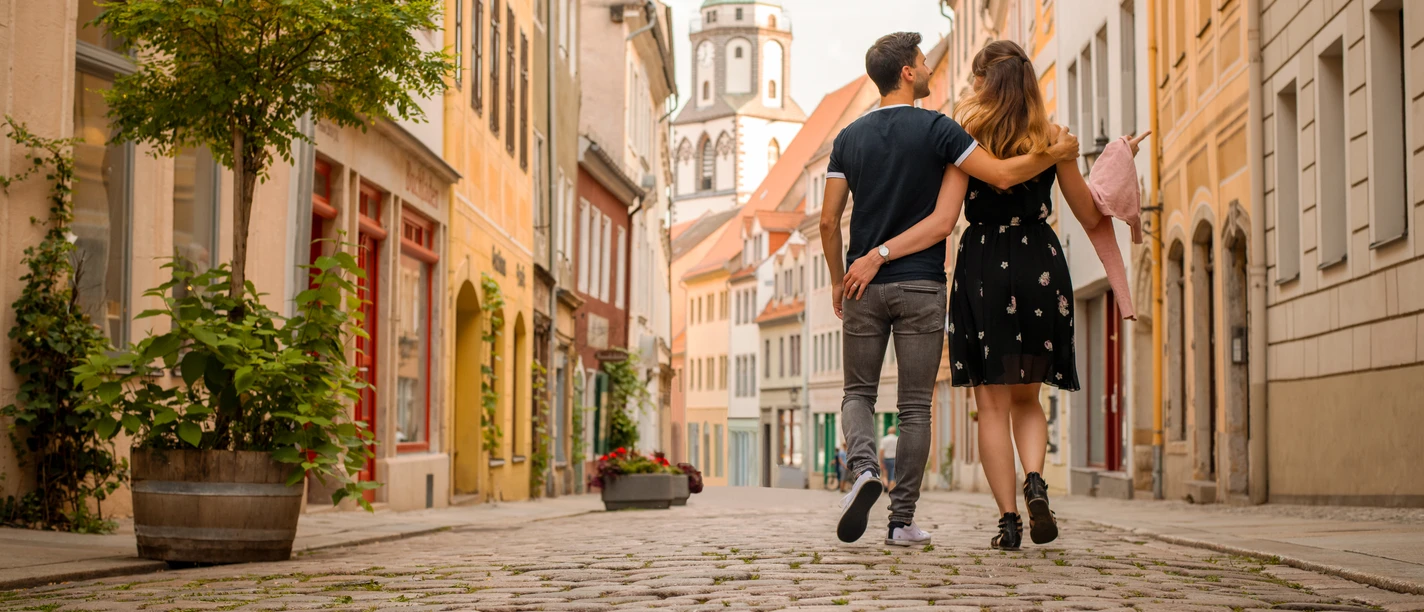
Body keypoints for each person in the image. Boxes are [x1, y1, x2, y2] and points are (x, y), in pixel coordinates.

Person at [842, 40, 1148, 550]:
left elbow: (946, 216)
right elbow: (1091, 214)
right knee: (1030, 398)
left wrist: (880, 251)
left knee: (992, 405)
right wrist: (1120, 159)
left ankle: (1008, 519)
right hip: (1039, 265)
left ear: (984, 82)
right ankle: (1035, 482)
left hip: (983, 265)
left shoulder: (965, 137)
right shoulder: (1052, 138)